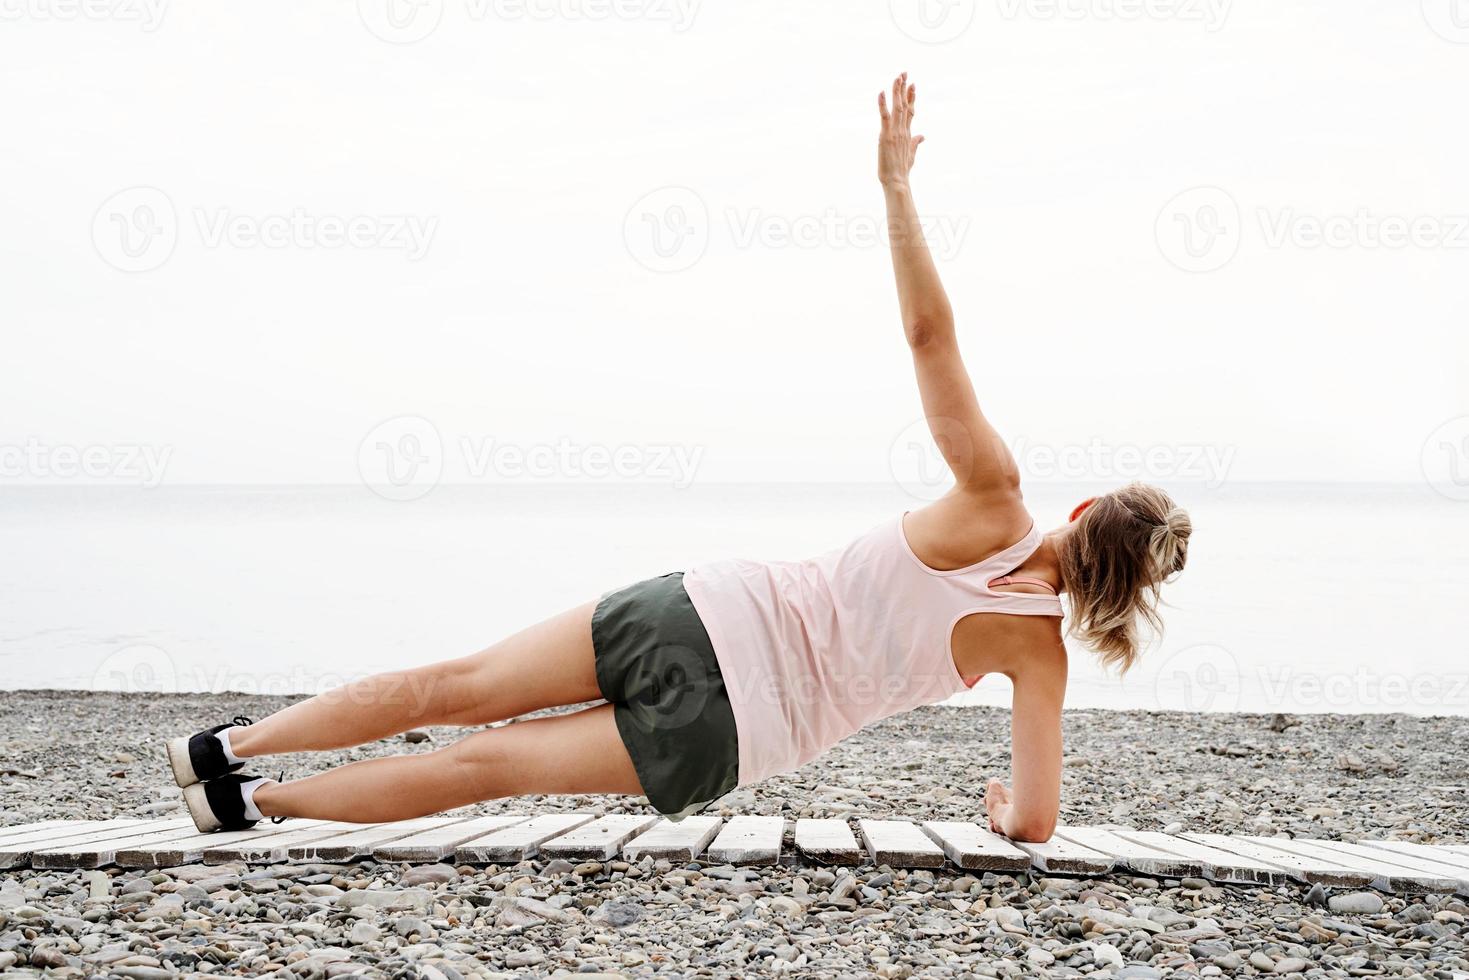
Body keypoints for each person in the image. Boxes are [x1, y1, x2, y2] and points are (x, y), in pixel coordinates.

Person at [168, 74, 1190, 842]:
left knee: (459, 681)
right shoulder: (1037, 654)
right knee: (485, 766)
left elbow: (929, 339)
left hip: (707, 608)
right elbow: (1035, 822)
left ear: (1086, 504)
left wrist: (892, 186)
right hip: (736, 729)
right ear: (1124, 585)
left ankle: (228, 746)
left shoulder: (992, 495)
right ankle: (255, 804)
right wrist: (1006, 804)